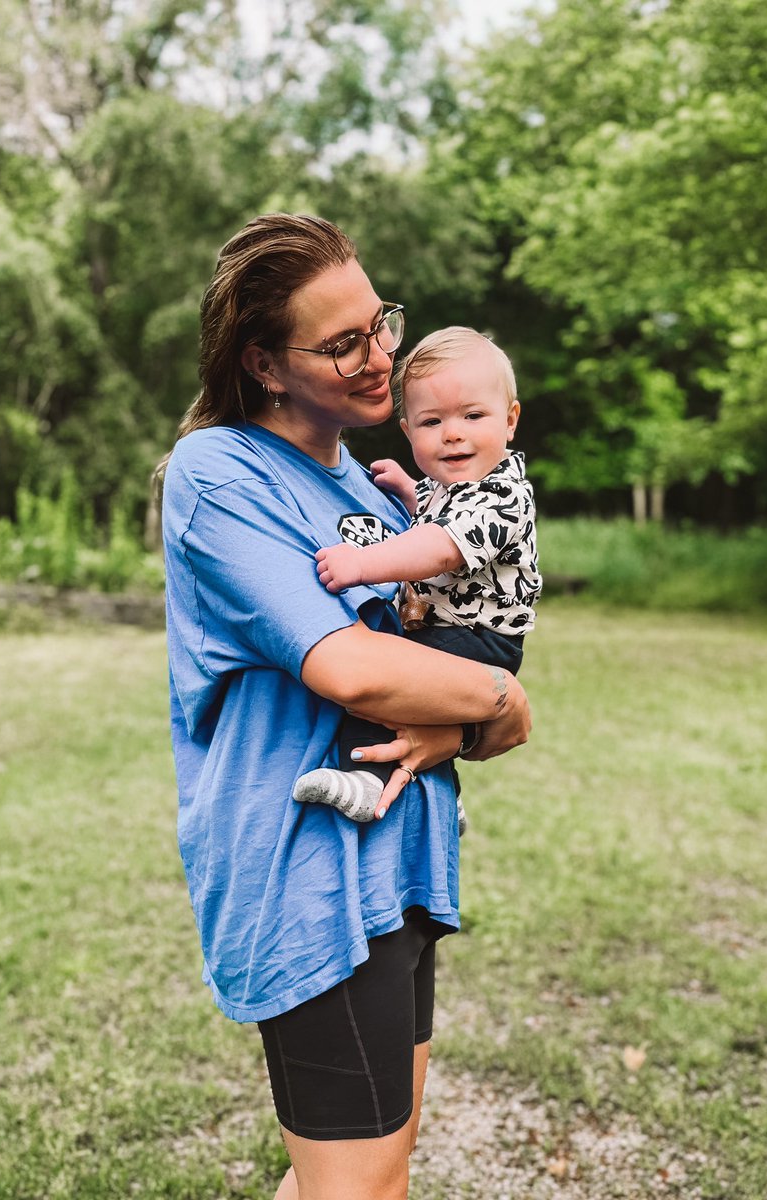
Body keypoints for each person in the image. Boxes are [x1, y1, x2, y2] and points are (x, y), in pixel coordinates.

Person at [161, 213, 531, 1200]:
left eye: (381, 324)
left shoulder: (364, 481)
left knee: (378, 1176)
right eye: (341, 343)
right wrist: (505, 697)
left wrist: (473, 709)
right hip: (305, 877)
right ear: (264, 365)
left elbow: (439, 649)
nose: (380, 360)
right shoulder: (220, 473)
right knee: (356, 1187)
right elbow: (355, 673)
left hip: (401, 856)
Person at [292, 327, 541, 830]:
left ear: (510, 421)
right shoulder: (452, 488)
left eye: (473, 416)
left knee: (396, 677)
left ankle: (368, 778)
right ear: (408, 432)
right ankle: (444, 790)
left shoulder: (503, 495)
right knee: (410, 682)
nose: (453, 433)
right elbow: (434, 518)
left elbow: (440, 548)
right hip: (450, 628)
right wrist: (411, 495)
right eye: (432, 421)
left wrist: (363, 564)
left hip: (481, 638)